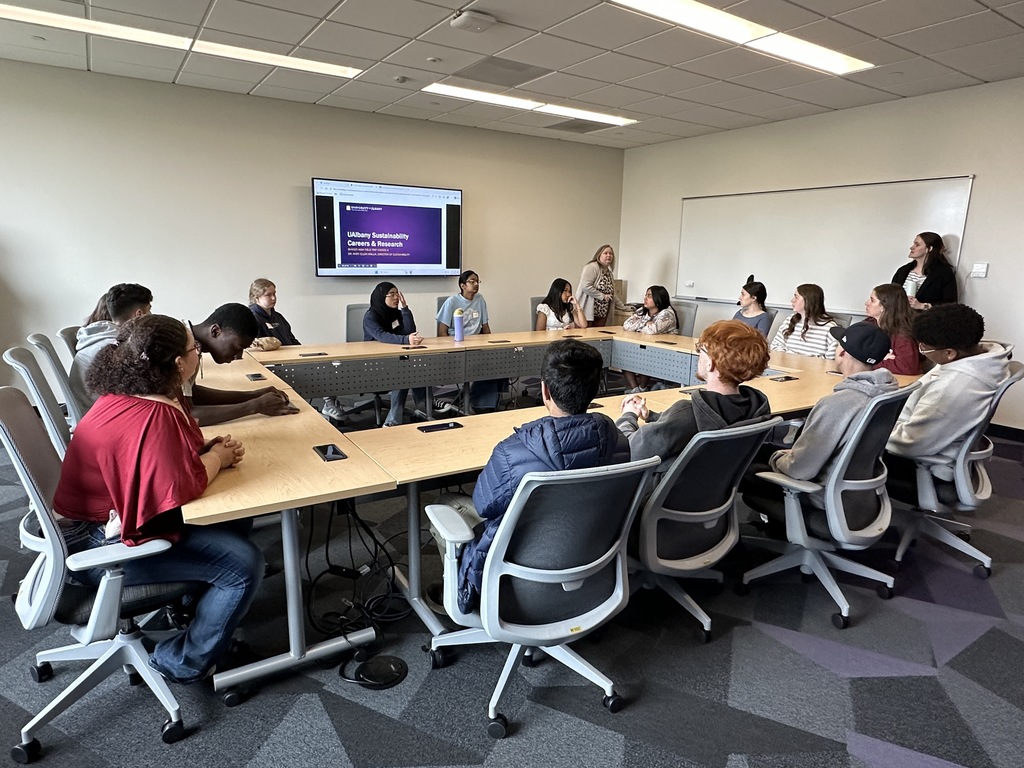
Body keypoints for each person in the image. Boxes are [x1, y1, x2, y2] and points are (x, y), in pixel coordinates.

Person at [53, 315, 265, 684]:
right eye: (192, 349)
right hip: (98, 551)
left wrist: (208, 453)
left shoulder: (127, 394)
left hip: (83, 531)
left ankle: (193, 610)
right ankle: (182, 662)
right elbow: (177, 488)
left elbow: (166, 465)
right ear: (178, 363)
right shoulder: (155, 414)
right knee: (242, 567)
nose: (197, 352)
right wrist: (217, 458)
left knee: (233, 520)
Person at [438, 339, 630, 613]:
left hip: (518, 585)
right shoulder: (619, 442)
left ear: (544, 390)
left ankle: (455, 591)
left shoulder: (512, 453)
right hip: (590, 569)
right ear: (596, 389)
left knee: (447, 503)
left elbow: (482, 505)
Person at [747, 322, 898, 509]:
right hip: (856, 492)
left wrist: (778, 457)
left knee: (746, 466)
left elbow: (799, 470)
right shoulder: (886, 392)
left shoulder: (837, 404)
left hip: (819, 495)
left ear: (842, 352)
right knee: (764, 450)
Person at [616, 320, 772, 471]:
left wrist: (629, 415)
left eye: (700, 350)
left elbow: (627, 450)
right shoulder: (756, 408)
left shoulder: (686, 413)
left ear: (711, 362)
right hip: (713, 494)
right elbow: (683, 425)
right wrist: (651, 415)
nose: (698, 354)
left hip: (660, 495)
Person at [885, 303, 1011, 485]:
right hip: (929, 438)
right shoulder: (982, 357)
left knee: (842, 447)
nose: (922, 350)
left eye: (924, 347)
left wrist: (870, 431)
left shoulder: (952, 389)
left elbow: (908, 444)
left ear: (949, 353)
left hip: (923, 463)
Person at [187, 303, 299, 426]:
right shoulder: (180, 347)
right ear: (216, 331)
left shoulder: (191, 343)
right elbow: (184, 416)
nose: (239, 356)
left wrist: (254, 395)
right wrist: (254, 406)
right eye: (237, 347)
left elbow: (194, 394)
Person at [364, 281, 449, 425]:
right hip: (374, 363)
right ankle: (393, 420)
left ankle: (424, 404)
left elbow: (409, 330)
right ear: (381, 297)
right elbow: (381, 336)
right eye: (391, 294)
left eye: (397, 293)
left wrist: (405, 309)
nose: (396, 297)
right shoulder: (370, 316)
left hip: (395, 359)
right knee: (403, 374)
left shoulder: (396, 313)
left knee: (416, 366)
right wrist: (405, 339)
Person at [69, 282, 153, 415]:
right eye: (149, 310)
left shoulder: (100, 334)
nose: (151, 315)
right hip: (102, 416)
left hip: (91, 411)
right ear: (139, 314)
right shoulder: (115, 346)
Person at [436, 270, 502, 411]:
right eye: (472, 281)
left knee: (498, 361)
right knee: (483, 366)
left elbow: (485, 327)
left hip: (477, 345)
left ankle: (483, 403)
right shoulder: (451, 302)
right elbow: (441, 332)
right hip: (457, 346)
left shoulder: (480, 299)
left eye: (477, 281)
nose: (476, 284)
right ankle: (475, 400)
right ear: (462, 285)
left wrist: (491, 345)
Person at [621, 285, 678, 392]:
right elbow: (627, 325)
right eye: (645, 295)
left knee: (645, 356)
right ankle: (635, 389)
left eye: (649, 296)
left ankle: (642, 388)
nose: (645, 298)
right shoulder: (643, 310)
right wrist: (646, 323)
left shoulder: (667, 314)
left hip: (663, 351)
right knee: (623, 355)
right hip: (644, 346)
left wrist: (640, 325)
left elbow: (652, 330)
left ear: (658, 299)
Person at [862, 284, 921, 375]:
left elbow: (907, 367)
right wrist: (880, 358)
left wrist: (869, 362)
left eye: (872, 300)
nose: (866, 303)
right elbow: (853, 349)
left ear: (884, 306)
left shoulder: (902, 336)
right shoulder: (868, 324)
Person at [891, 231, 958, 310]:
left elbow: (950, 303)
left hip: (925, 319)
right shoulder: (903, 270)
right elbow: (890, 294)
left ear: (929, 248)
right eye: (914, 244)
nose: (912, 247)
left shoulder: (944, 273)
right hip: (899, 318)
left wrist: (922, 306)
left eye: (917, 244)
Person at [769, 284, 839, 358]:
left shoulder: (829, 327)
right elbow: (775, 345)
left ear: (808, 300)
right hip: (786, 366)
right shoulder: (790, 320)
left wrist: (803, 360)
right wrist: (791, 357)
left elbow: (832, 357)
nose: (792, 300)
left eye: (796, 297)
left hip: (813, 368)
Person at [577, 244, 630, 327]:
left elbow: (612, 295)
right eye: (605, 253)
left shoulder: (609, 273)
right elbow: (585, 286)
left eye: (611, 253)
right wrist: (602, 296)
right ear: (599, 255)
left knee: (598, 338)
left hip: (602, 314)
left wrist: (624, 307)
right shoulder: (592, 267)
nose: (608, 255)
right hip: (588, 314)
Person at [248, 278, 299, 346]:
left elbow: (292, 340)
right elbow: (257, 346)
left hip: (288, 354)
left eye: (274, 294)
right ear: (257, 298)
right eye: (268, 295)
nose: (273, 298)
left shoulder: (278, 316)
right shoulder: (251, 318)